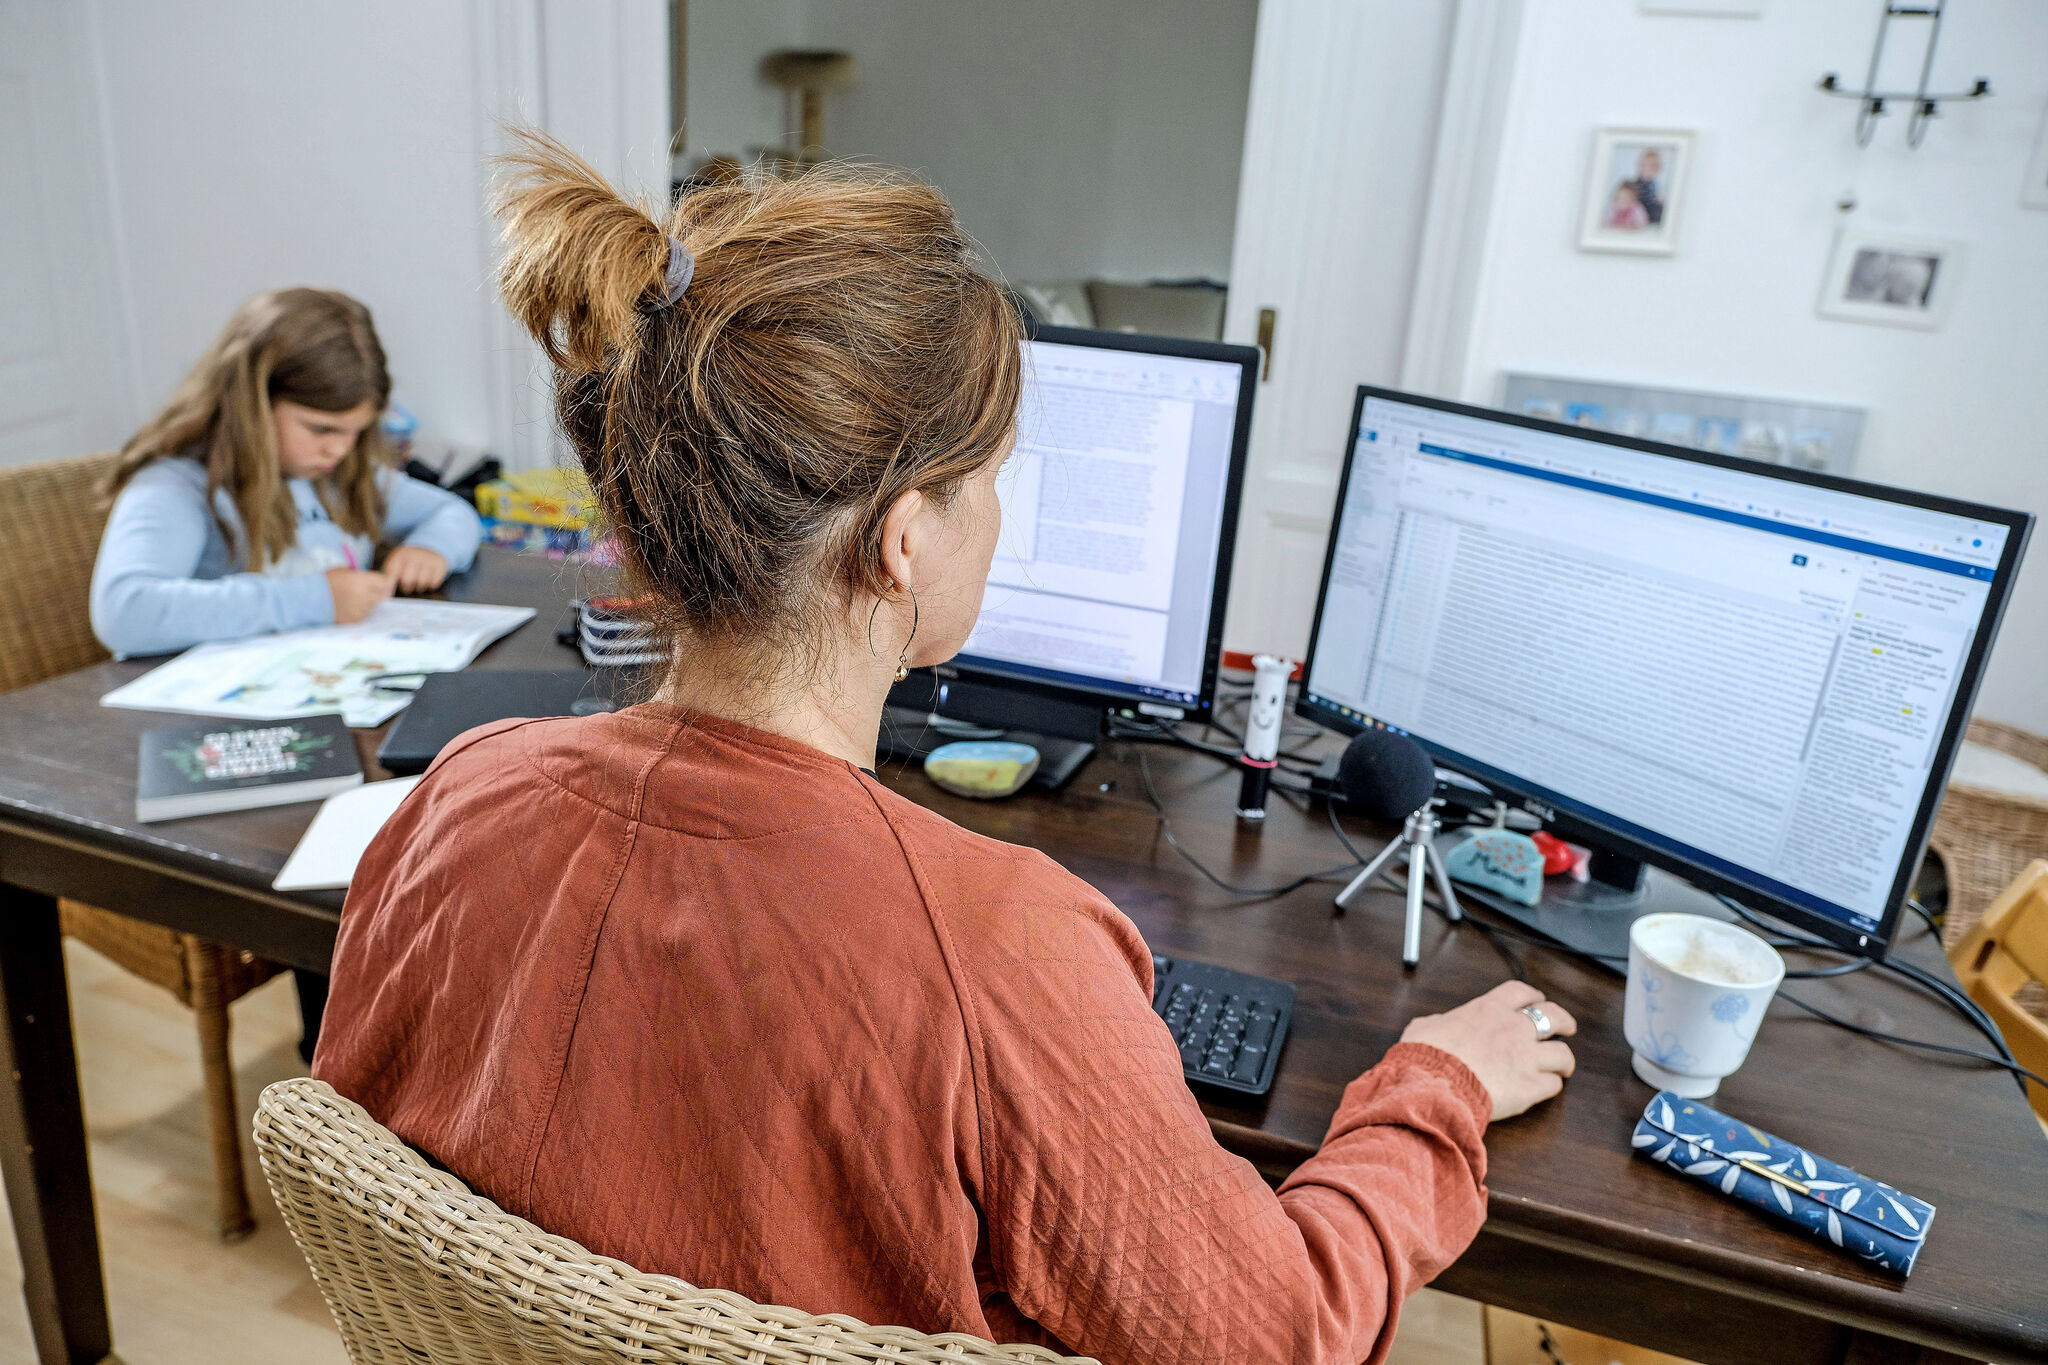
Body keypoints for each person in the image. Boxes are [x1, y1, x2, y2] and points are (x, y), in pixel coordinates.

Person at [315, 131, 1578, 1365]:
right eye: (992, 477)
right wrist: (1430, 1092)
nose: (999, 514)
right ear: (904, 538)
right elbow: (1279, 1334)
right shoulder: (996, 946)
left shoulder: (457, 795)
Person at [89, 287, 482, 660]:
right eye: (321, 429)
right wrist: (316, 599)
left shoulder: (338, 475)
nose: (340, 449)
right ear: (251, 406)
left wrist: (433, 549)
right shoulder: (177, 487)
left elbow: (451, 512)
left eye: (356, 432)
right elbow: (125, 612)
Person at [1628, 147, 1665, 226]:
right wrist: (1657, 203)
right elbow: (1644, 203)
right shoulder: (1636, 185)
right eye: (1645, 165)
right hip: (1641, 219)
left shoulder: (1653, 184)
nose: (1648, 169)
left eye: (1653, 166)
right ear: (1640, 166)